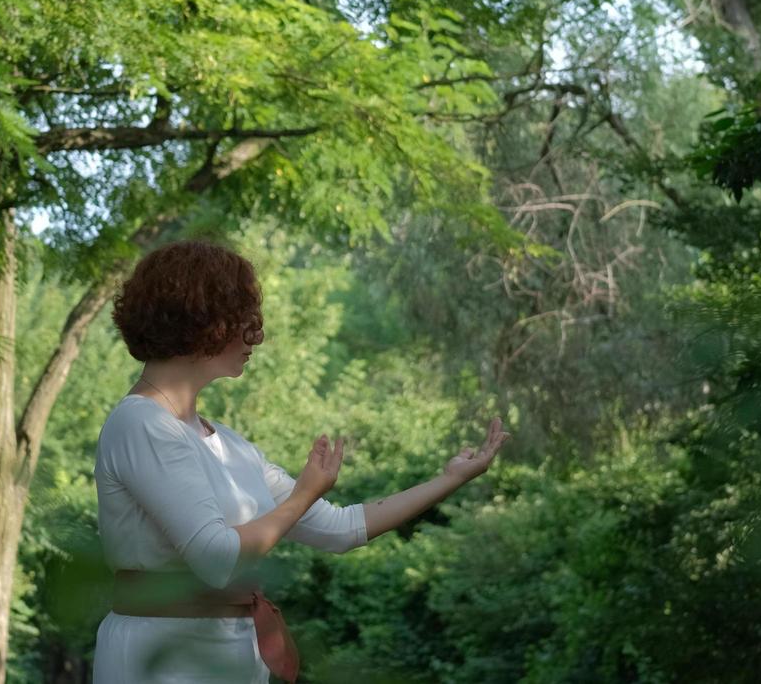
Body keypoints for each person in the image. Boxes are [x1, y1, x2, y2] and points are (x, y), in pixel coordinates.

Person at [92, 240, 511, 683]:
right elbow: (216, 558)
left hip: (233, 656)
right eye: (242, 318)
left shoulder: (229, 445)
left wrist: (450, 479)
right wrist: (304, 494)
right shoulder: (140, 423)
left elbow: (341, 529)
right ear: (200, 319)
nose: (256, 335)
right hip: (162, 661)